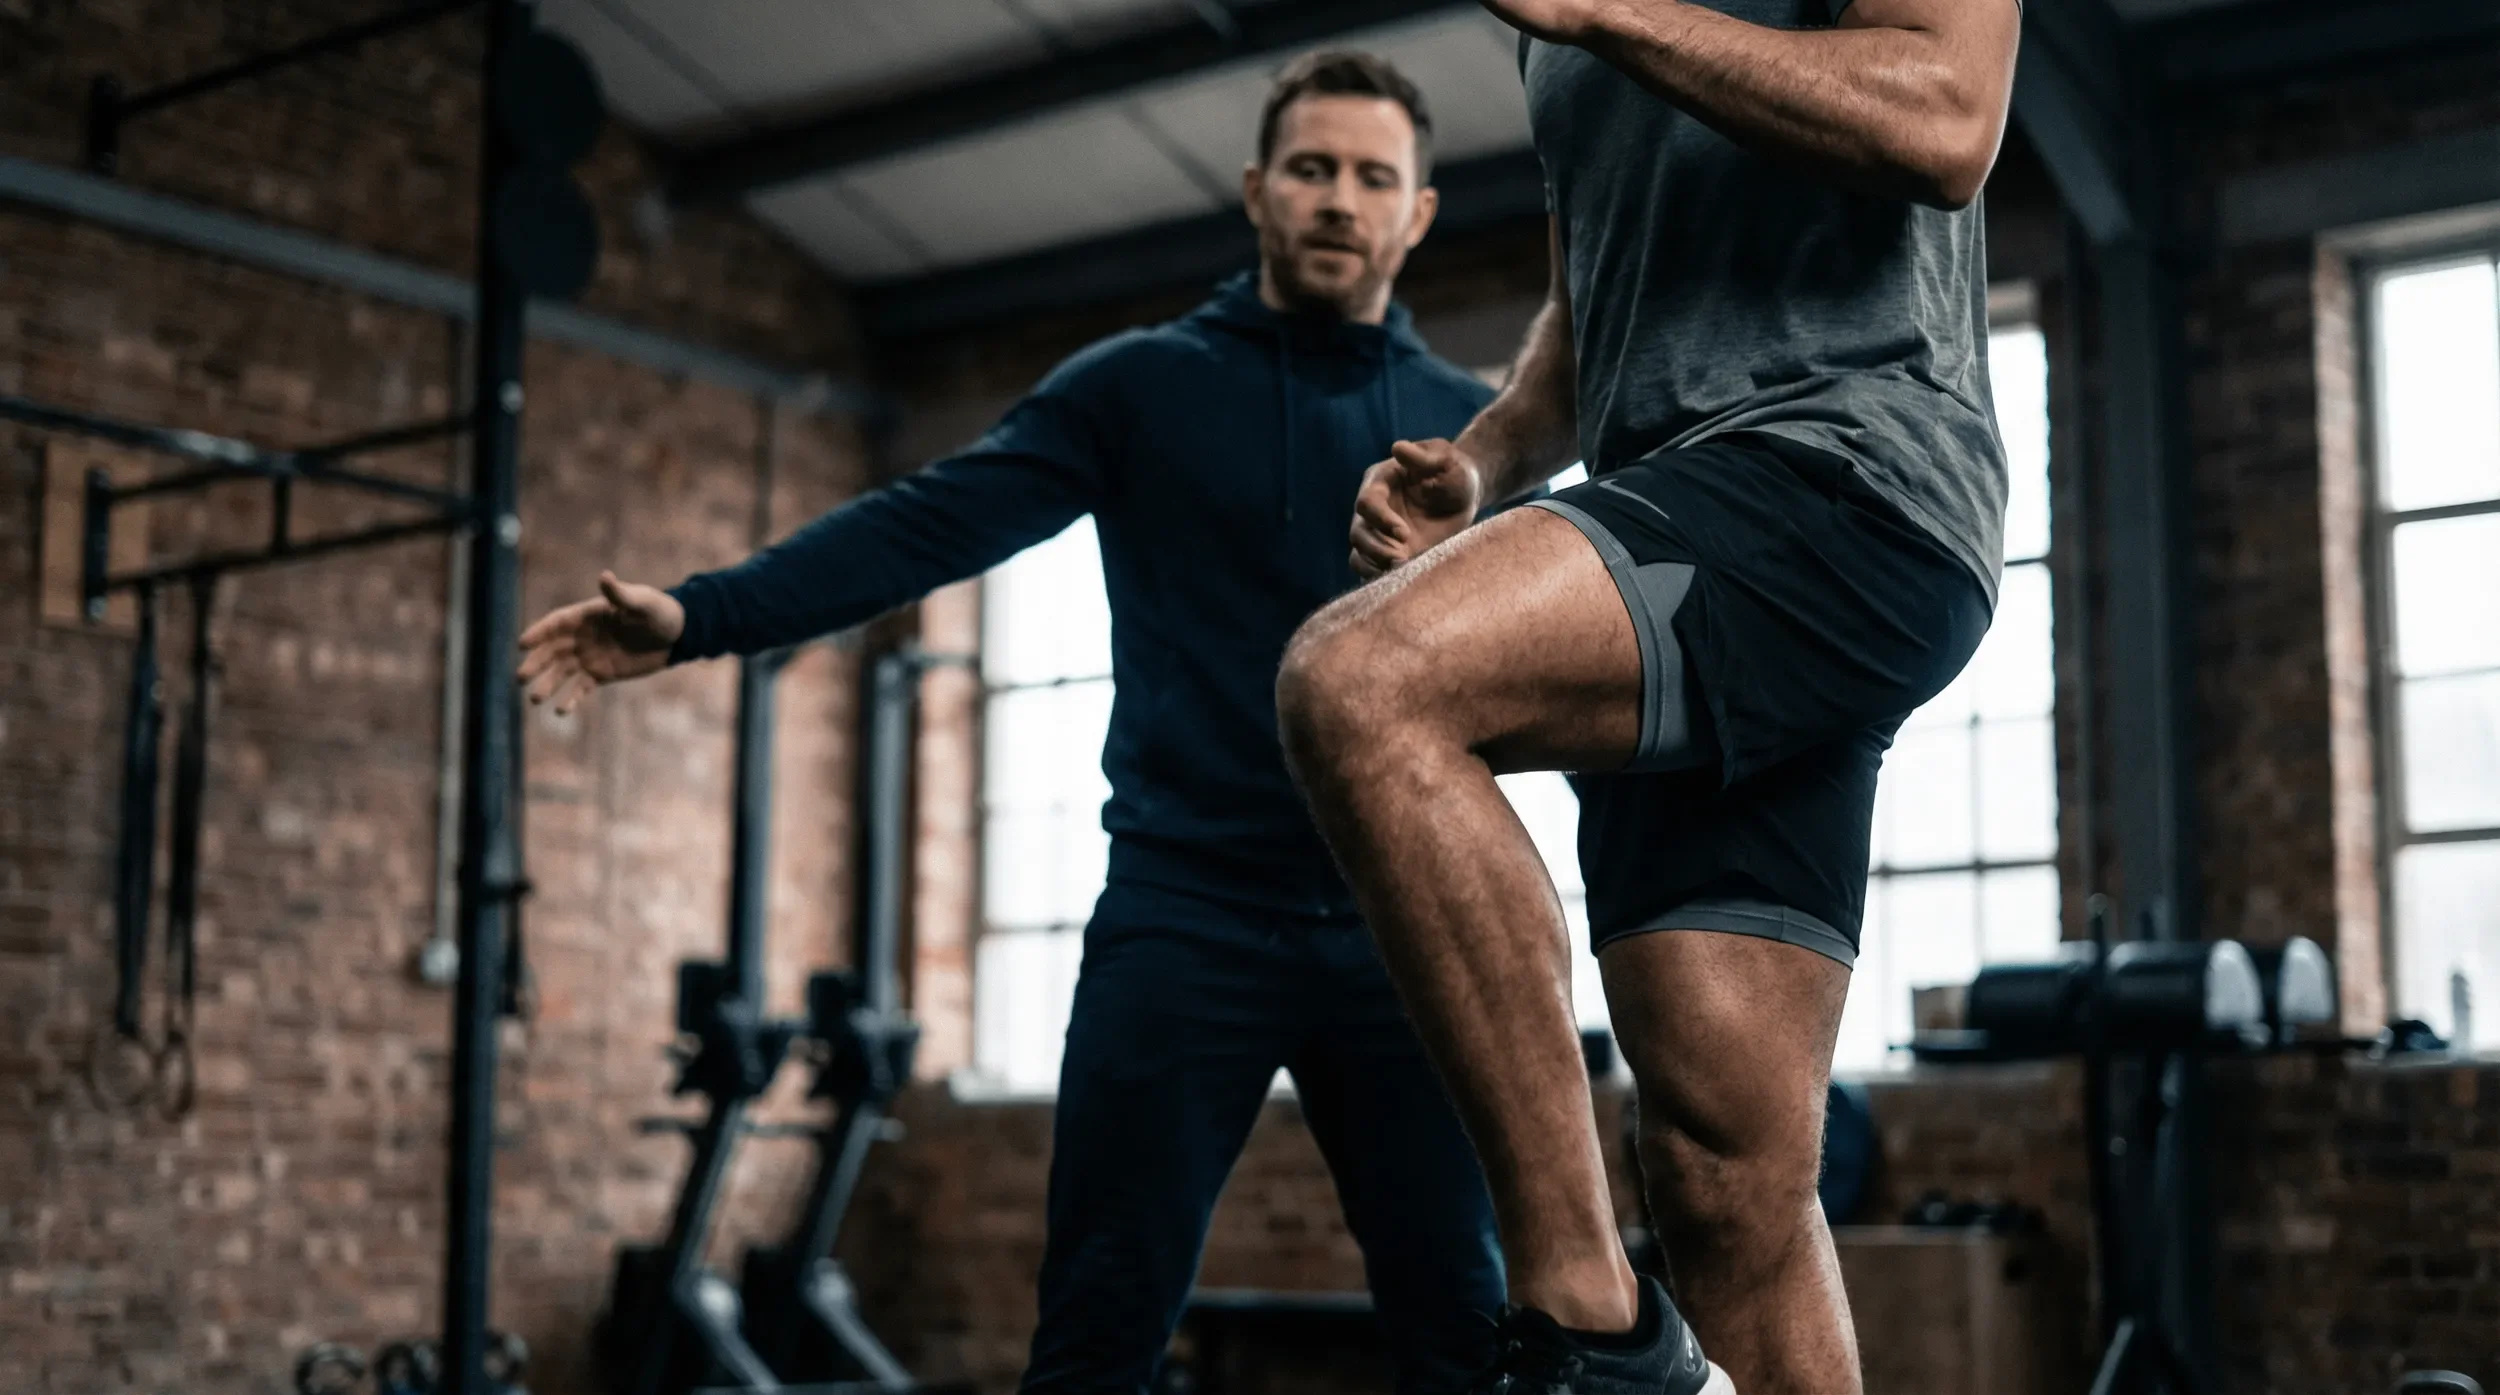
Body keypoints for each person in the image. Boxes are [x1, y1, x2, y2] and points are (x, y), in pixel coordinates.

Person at [517, 52, 1515, 1395]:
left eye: (1373, 177)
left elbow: (1560, 671)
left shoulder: (1471, 438)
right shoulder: (1142, 387)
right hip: (1185, 914)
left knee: (1467, 1325)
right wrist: (701, 616)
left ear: (1419, 213)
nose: (1341, 198)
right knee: (1097, 1330)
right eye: (1314, 168)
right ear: (1255, 190)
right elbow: (927, 522)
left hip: (1406, 922)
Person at [1272, 2, 2023, 1392]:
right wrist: (1489, 460)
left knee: (1361, 680)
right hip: (1677, 529)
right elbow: (1591, 311)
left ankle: (1590, 1330)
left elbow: (1946, 121)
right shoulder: (1558, 38)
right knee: (1725, 1173)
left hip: (1846, 486)